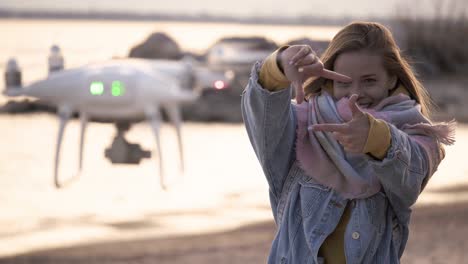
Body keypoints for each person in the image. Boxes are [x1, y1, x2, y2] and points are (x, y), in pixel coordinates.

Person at [241, 21, 455, 264]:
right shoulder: (301, 128)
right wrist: (279, 65)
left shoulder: (416, 134)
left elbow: (411, 179)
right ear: (330, 80)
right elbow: (261, 113)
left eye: (369, 81)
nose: (355, 93)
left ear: (392, 79)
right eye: (343, 82)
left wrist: (376, 138)